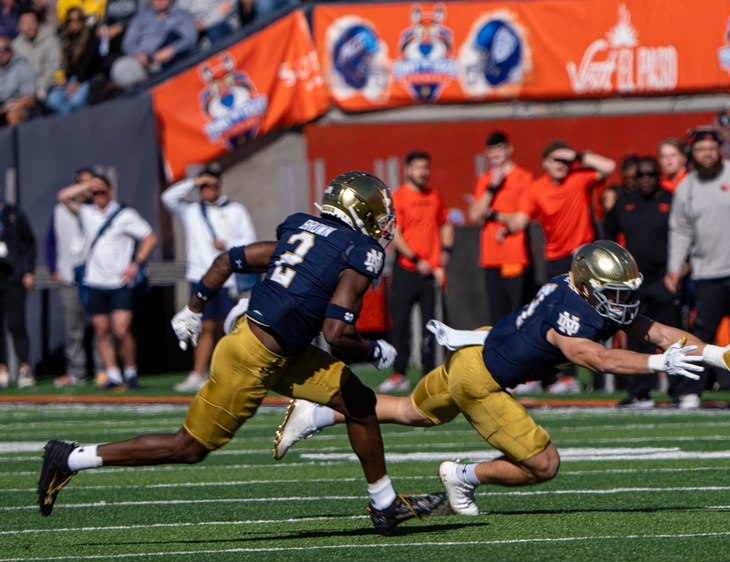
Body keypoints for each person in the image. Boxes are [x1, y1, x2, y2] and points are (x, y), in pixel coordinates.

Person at [37, 171, 446, 534]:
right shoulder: (358, 252)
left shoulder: (305, 229)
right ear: (356, 211)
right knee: (189, 447)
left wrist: (193, 307)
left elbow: (228, 259)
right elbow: (337, 333)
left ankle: (384, 504)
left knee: (358, 401)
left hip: (282, 348)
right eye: (376, 211)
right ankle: (71, 458)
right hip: (254, 356)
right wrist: (373, 347)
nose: (382, 221)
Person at [269, 240, 730, 516]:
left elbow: (656, 330)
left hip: (474, 354)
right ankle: (462, 475)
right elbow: (592, 357)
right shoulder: (574, 314)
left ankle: (315, 414)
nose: (621, 302)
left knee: (407, 411)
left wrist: (715, 355)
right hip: (481, 379)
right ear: (587, 284)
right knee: (544, 464)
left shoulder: (570, 288)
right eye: (613, 292)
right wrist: (659, 366)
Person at [503, 141, 616, 393]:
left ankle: (600, 377)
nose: (561, 165)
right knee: (559, 317)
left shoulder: (578, 178)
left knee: (596, 315)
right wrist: (500, 223)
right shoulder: (536, 188)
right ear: (544, 163)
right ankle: (560, 376)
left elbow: (609, 166)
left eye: (564, 161)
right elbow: (521, 218)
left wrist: (576, 154)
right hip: (556, 260)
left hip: (584, 258)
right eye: (555, 160)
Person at [665, 127, 730, 410]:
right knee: (699, 336)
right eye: (701, 149)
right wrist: (675, 267)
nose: (707, 154)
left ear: (720, 150)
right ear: (692, 154)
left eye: (711, 148)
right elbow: (680, 230)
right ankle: (692, 390)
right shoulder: (686, 187)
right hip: (706, 273)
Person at [55, 172, 157, 390]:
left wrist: (136, 263)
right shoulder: (87, 212)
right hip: (94, 281)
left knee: (121, 330)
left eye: (103, 190)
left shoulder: (124, 214)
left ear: (110, 191)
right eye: (96, 192)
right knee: (101, 330)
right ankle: (112, 374)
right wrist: (87, 186)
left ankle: (130, 371)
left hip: (120, 281)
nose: (99, 195)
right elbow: (63, 196)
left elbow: (150, 237)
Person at [161, 162, 256, 392]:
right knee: (203, 326)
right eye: (204, 185)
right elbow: (168, 198)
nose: (208, 189)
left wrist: (227, 246)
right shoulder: (191, 211)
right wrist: (193, 182)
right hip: (200, 277)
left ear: (220, 186)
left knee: (229, 326)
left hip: (228, 278)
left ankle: (230, 372)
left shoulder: (236, 210)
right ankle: (197, 373)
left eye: (212, 184)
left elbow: (250, 241)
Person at [603, 156, 683, 408]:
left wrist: (680, 270)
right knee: (637, 337)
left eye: (651, 174)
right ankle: (639, 391)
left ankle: (681, 391)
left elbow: (686, 234)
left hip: (665, 279)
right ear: (633, 178)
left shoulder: (670, 200)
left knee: (672, 336)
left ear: (659, 176)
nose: (646, 178)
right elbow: (607, 234)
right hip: (633, 282)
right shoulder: (624, 202)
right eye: (641, 175)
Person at [379, 150, 453, 393]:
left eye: (426, 167)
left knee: (430, 325)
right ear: (408, 170)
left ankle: (429, 373)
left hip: (430, 273)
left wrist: (446, 251)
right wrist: (414, 257)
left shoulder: (435, 196)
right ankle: (399, 372)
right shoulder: (398, 197)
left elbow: (445, 224)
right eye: (418, 167)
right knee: (400, 324)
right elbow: (394, 233)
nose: (423, 172)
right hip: (406, 269)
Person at [467, 131, 533, 325]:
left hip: (514, 255)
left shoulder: (523, 177)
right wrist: (493, 187)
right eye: (491, 151)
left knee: (518, 311)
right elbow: (474, 214)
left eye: (499, 150)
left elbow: (522, 217)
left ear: (509, 150)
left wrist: (494, 215)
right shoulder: (484, 181)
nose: (495, 155)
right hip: (491, 256)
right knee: (497, 315)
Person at [46, 168, 103, 387]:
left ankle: (103, 369)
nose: (89, 189)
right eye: (84, 184)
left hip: (95, 277)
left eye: (92, 184)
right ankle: (75, 371)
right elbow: (51, 241)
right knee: (73, 328)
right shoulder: (61, 209)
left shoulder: (97, 210)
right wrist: (53, 267)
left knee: (100, 327)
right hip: (69, 275)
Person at [109, 0, 197, 89]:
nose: (159, 1)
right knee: (122, 66)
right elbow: (128, 44)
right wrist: (138, 54)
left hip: (173, 60)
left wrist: (172, 50)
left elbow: (190, 39)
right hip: (145, 62)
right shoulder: (141, 18)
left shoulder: (183, 15)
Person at [0, 192, 36, 388]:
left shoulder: (14, 215)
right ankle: (2, 368)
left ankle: (24, 368)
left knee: (17, 324)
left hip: (13, 278)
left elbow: (29, 242)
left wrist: (28, 271)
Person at [45, 7, 100, 114]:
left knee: (76, 101)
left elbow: (87, 63)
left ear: (83, 21)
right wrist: (60, 78)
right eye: (71, 20)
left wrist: (78, 82)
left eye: (78, 19)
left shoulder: (91, 36)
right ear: (67, 22)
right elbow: (59, 62)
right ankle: (70, 121)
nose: (75, 23)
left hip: (86, 77)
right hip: (69, 79)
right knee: (52, 100)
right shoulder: (63, 38)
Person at [12, 9, 61, 106]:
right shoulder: (16, 46)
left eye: (32, 22)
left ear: (38, 22)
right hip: (28, 91)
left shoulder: (50, 37)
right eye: (25, 23)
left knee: (53, 101)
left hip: (52, 85)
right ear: (20, 26)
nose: (29, 26)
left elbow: (55, 65)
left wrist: (41, 87)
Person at [0, 33, 36, 125]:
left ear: (11, 49)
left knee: (12, 115)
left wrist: (8, 107)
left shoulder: (22, 67)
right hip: (3, 107)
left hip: (24, 108)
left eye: (5, 49)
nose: (1, 53)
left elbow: (30, 100)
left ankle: (14, 139)